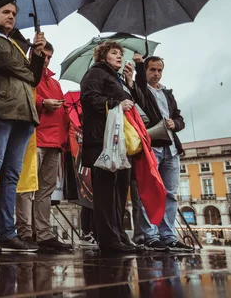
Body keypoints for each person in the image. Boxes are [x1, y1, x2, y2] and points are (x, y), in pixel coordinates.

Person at [0, 3, 46, 254]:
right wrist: (27, 63)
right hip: (0, 111)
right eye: (6, 12)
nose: (11, 16)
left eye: (14, 13)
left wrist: (36, 54)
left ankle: (7, 233)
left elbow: (33, 77)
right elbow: (11, 66)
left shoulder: (16, 45)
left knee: (11, 176)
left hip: (24, 116)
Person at [80, 41, 145, 253]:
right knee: (106, 191)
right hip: (102, 141)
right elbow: (89, 99)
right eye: (114, 53)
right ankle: (108, 239)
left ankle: (119, 235)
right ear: (102, 56)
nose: (119, 56)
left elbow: (137, 102)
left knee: (119, 192)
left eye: (120, 53)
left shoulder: (116, 78)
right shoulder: (96, 73)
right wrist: (114, 103)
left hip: (119, 142)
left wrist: (129, 81)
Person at [132, 54, 194, 252]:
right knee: (149, 191)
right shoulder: (141, 90)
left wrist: (174, 124)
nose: (156, 73)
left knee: (170, 194)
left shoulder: (168, 93)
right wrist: (139, 64)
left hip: (172, 149)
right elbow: (139, 83)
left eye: (159, 70)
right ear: (146, 71)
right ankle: (148, 235)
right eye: (152, 70)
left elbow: (180, 118)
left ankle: (168, 236)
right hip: (153, 146)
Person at [15, 42, 72, 252]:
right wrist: (42, 103)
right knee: (27, 187)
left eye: (49, 56)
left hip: (54, 142)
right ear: (34, 54)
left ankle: (44, 233)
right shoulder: (28, 74)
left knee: (45, 190)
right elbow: (23, 97)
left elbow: (64, 111)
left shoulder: (55, 83)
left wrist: (64, 140)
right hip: (34, 138)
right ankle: (25, 232)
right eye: (43, 55)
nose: (46, 59)